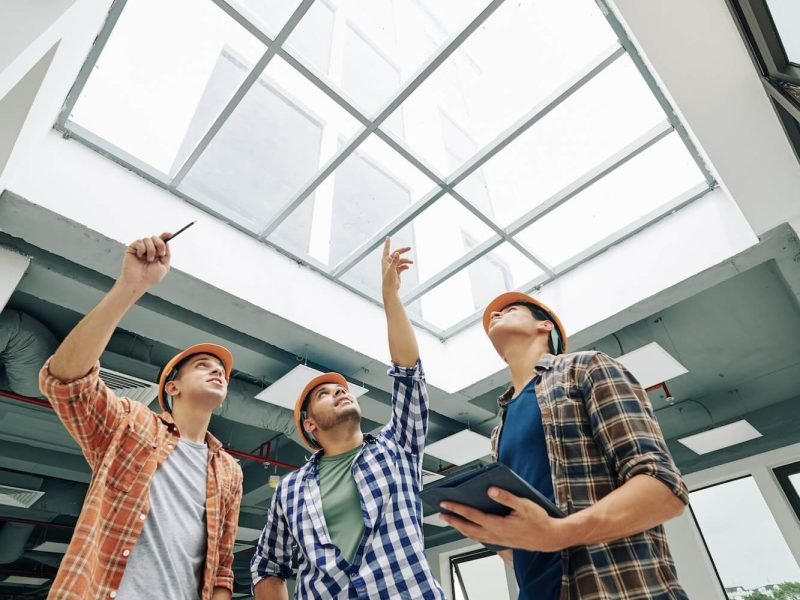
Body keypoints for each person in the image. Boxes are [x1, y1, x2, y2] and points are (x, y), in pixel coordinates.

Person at [439, 292, 689, 599]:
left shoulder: (586, 368)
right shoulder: (498, 430)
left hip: (614, 590)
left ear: (545, 326)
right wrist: (495, 534)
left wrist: (559, 534)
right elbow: (527, 547)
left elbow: (663, 488)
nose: (494, 315)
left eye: (510, 310)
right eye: (493, 315)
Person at [39, 233, 242, 600]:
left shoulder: (229, 470)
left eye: (222, 372)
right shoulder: (133, 423)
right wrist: (130, 286)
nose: (218, 373)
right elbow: (66, 382)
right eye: (202, 366)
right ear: (173, 389)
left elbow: (222, 567)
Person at [251, 238, 445, 600]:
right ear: (311, 427)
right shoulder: (291, 490)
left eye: (342, 390)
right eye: (324, 395)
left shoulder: (397, 446)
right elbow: (267, 566)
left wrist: (390, 297)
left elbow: (408, 373)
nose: (340, 392)